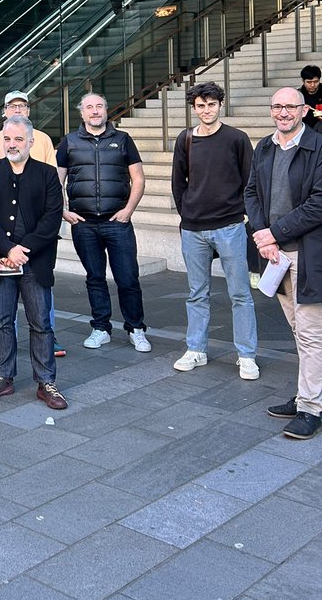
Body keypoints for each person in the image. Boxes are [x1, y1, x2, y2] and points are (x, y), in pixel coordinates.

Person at [0, 115, 68, 410]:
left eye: (18, 139)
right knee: (1, 321)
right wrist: (8, 248)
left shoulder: (47, 174)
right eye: (7, 139)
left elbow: (52, 219)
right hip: (1, 261)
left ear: (31, 141)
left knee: (41, 323)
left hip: (35, 261)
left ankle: (46, 381)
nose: (12, 144)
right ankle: (2, 376)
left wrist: (23, 248)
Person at [246, 87, 322, 440]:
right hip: (275, 255)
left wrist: (273, 233)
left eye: (290, 106)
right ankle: (310, 394)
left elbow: (319, 203)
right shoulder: (264, 146)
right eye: (277, 106)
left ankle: (310, 408)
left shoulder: (318, 147)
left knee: (310, 335)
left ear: (304, 110)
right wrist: (263, 234)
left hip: (307, 255)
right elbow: (250, 192)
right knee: (299, 332)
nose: (283, 112)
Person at [171, 82, 258, 379]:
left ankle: (246, 354)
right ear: (193, 108)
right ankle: (196, 349)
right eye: (200, 105)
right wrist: (188, 213)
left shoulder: (237, 138)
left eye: (211, 104)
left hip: (230, 226)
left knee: (240, 293)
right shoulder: (185, 139)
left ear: (220, 104)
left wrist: (242, 215)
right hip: (193, 228)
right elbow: (177, 182)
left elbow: (250, 181)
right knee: (197, 293)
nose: (206, 110)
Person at [56, 93, 150, 351]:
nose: (95, 111)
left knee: (128, 278)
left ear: (107, 110)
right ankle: (101, 327)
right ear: (82, 113)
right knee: (95, 277)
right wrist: (64, 211)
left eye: (99, 106)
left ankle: (136, 328)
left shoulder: (122, 140)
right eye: (89, 107)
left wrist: (129, 210)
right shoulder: (69, 142)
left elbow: (138, 178)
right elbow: (56, 181)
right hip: (84, 224)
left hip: (117, 222)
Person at [0, 92, 56, 164]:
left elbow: (52, 172)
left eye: (22, 106)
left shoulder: (44, 139)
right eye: (12, 106)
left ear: (28, 111)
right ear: (5, 111)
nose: (17, 110)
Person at [298, 65, 322, 131]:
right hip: (304, 126)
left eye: (316, 82)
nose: (312, 85)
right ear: (303, 81)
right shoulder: (298, 95)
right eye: (309, 82)